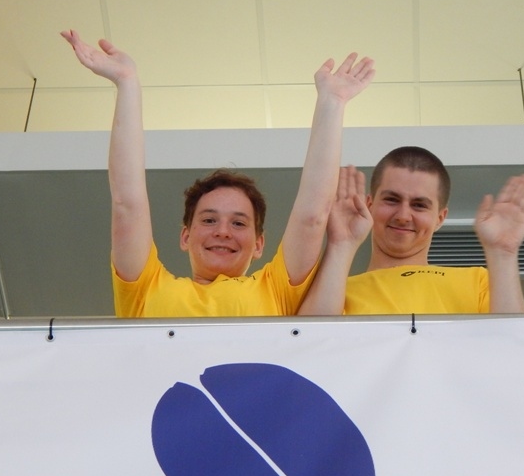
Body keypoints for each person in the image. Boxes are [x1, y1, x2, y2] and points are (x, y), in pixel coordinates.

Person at [61, 30, 374, 317]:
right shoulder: (146, 287)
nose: (223, 232)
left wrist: (332, 103)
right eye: (209, 220)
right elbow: (126, 204)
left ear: (258, 244)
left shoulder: (274, 290)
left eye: (238, 223)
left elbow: (312, 217)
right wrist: (127, 83)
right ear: (186, 236)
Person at [298, 146, 524, 315]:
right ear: (369, 205)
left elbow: (514, 349)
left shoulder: (478, 281)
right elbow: (311, 346)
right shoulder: (335, 292)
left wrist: (503, 254)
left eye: (419, 205)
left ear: (440, 218)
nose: (403, 216)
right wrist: (341, 244)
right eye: (392, 200)